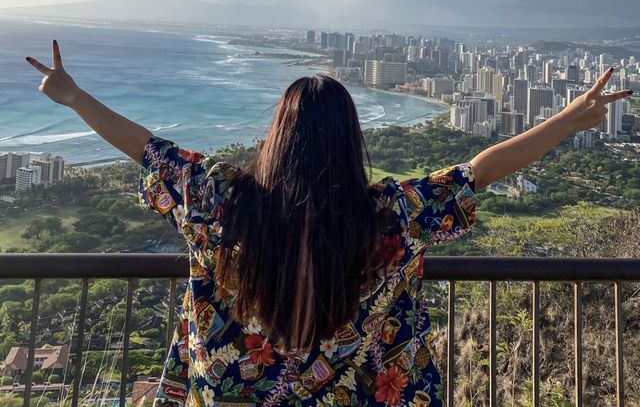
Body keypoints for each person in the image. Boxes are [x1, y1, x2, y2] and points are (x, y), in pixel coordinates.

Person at [27, 39, 632, 407]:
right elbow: (478, 172)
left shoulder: (221, 198)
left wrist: (74, 97)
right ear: (351, 141)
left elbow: (146, 148)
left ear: (277, 136)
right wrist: (568, 120)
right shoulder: (391, 213)